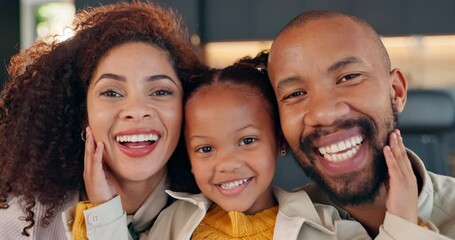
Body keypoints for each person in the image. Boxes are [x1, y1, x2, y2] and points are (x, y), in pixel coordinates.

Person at [141, 53, 437, 239]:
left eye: (247, 141)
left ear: (279, 140)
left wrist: (402, 223)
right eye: (205, 149)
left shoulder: (327, 228)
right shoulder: (172, 222)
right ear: (189, 157)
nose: (227, 164)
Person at [0, 2, 204, 239]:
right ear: (81, 113)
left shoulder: (224, 215)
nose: (136, 110)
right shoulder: (21, 225)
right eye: (111, 93)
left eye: (160, 91)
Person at [267, 10, 455, 238]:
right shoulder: (269, 229)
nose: (324, 114)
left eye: (348, 78)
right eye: (295, 93)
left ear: (396, 92)